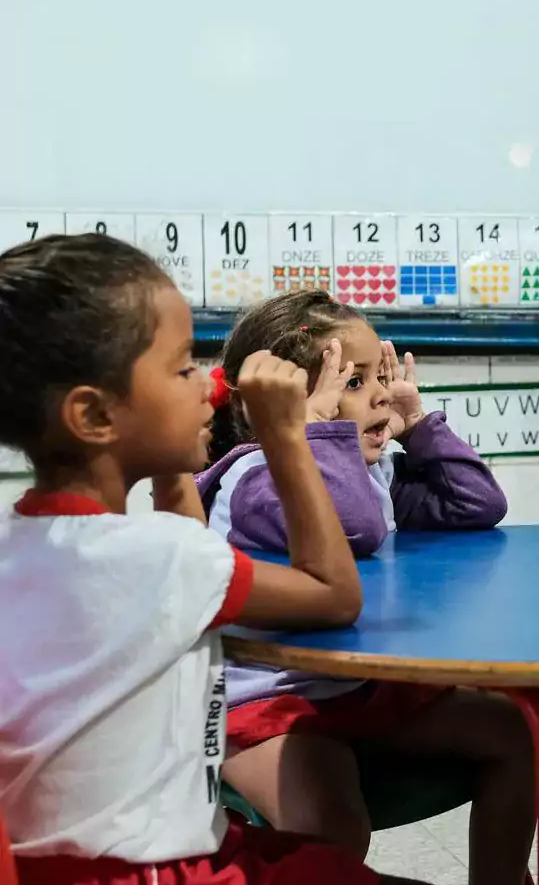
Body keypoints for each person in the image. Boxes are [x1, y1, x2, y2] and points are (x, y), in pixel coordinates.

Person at [0, 234, 424, 883]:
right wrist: (289, 438)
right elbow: (333, 593)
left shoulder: (32, 546)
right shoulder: (160, 559)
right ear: (93, 415)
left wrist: (171, 467)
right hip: (160, 870)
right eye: (181, 370)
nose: (210, 384)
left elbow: (184, 552)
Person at [197, 290, 534, 885]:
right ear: (280, 408)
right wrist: (314, 434)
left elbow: (477, 504)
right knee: (334, 825)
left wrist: (419, 425)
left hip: (351, 690)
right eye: (353, 383)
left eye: (379, 375)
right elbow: (355, 526)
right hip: (264, 701)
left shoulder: (368, 472)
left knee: (512, 729)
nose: (380, 393)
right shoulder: (256, 478)